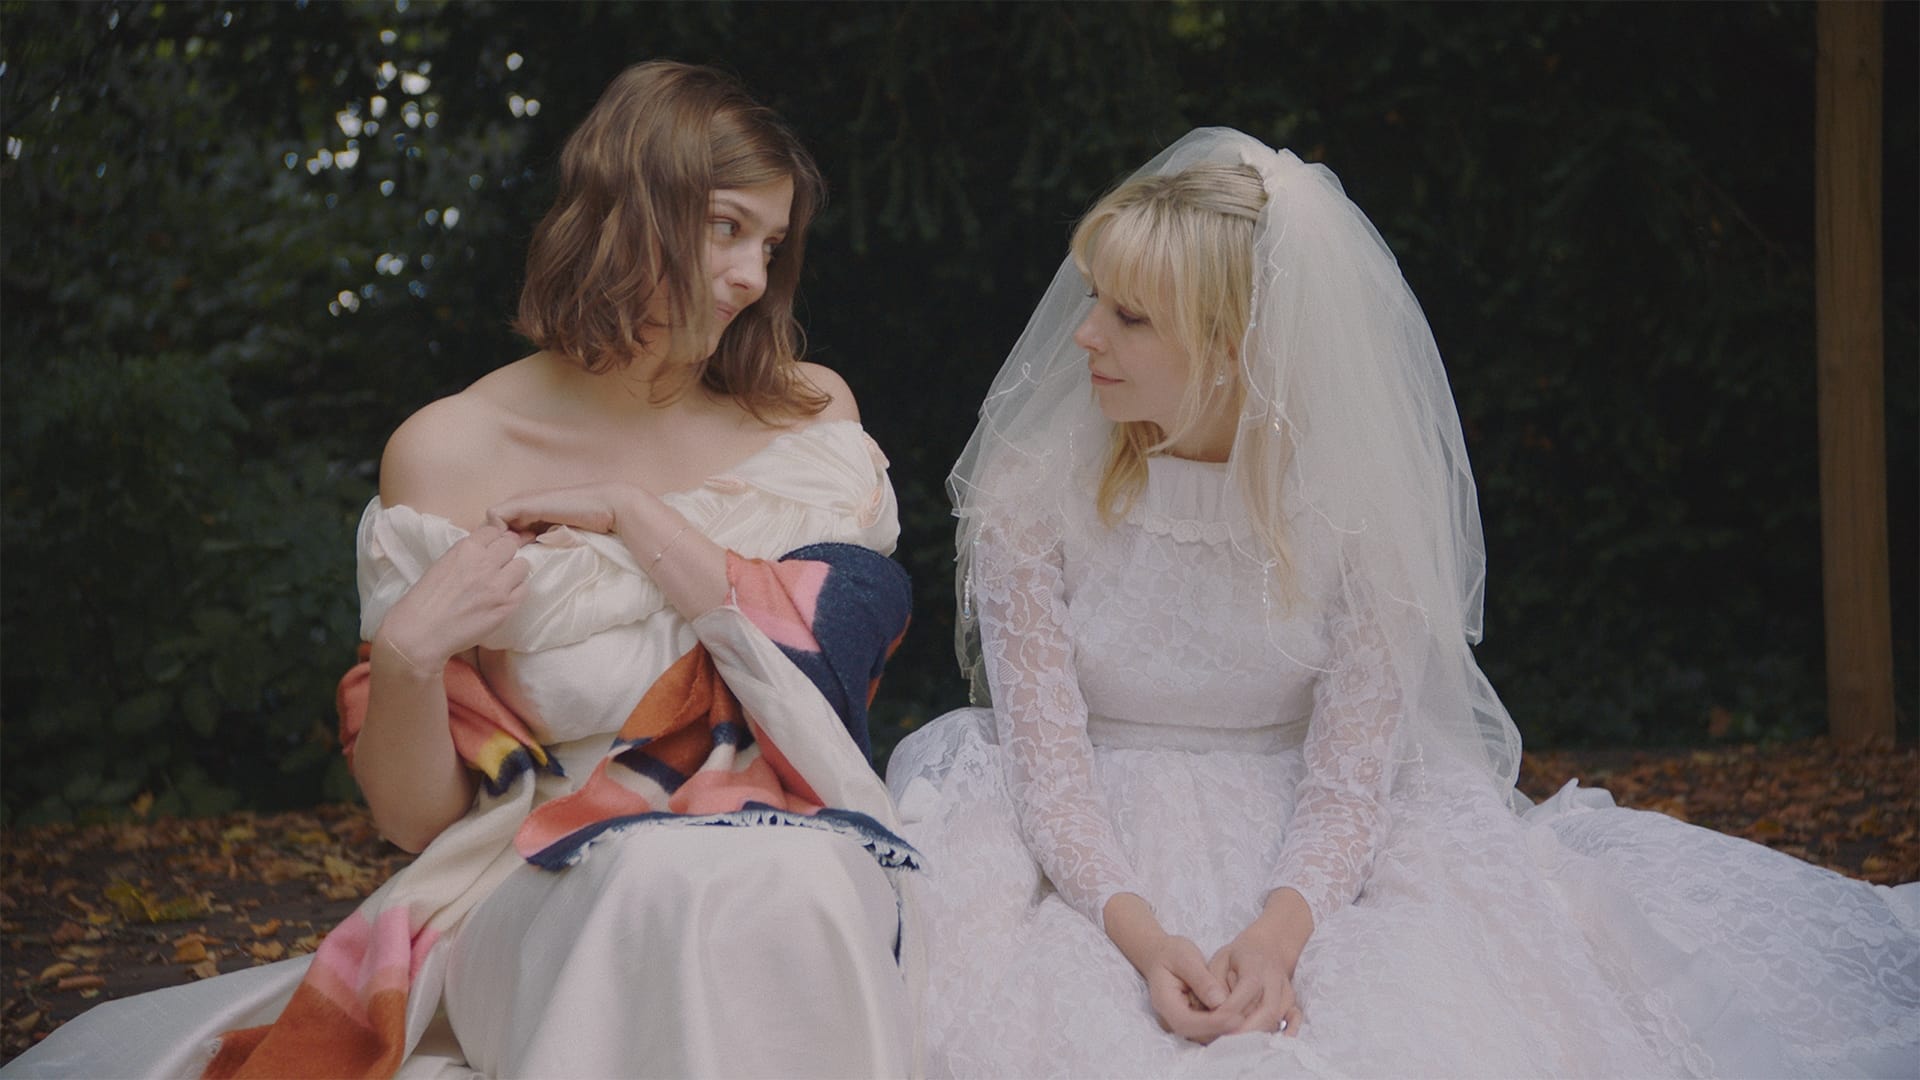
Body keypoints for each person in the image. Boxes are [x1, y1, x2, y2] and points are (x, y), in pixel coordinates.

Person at [885, 127, 1919, 1078]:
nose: (1083, 336)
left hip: (1306, 846)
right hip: (1090, 854)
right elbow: (1050, 773)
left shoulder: (1355, 516)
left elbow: (1348, 783)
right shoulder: (1032, 499)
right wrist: (1148, 941)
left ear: (1233, 349)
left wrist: (1279, 936)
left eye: (1130, 316)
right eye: (1095, 299)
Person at [6, 60, 921, 1079]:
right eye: (724, 227)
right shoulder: (456, 451)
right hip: (537, 876)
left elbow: (823, 688)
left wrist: (636, 518)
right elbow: (415, 822)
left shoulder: (806, 423)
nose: (751, 275)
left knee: (786, 882)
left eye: (771, 243)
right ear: (629, 214)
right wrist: (406, 657)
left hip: (791, 835)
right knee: (671, 888)